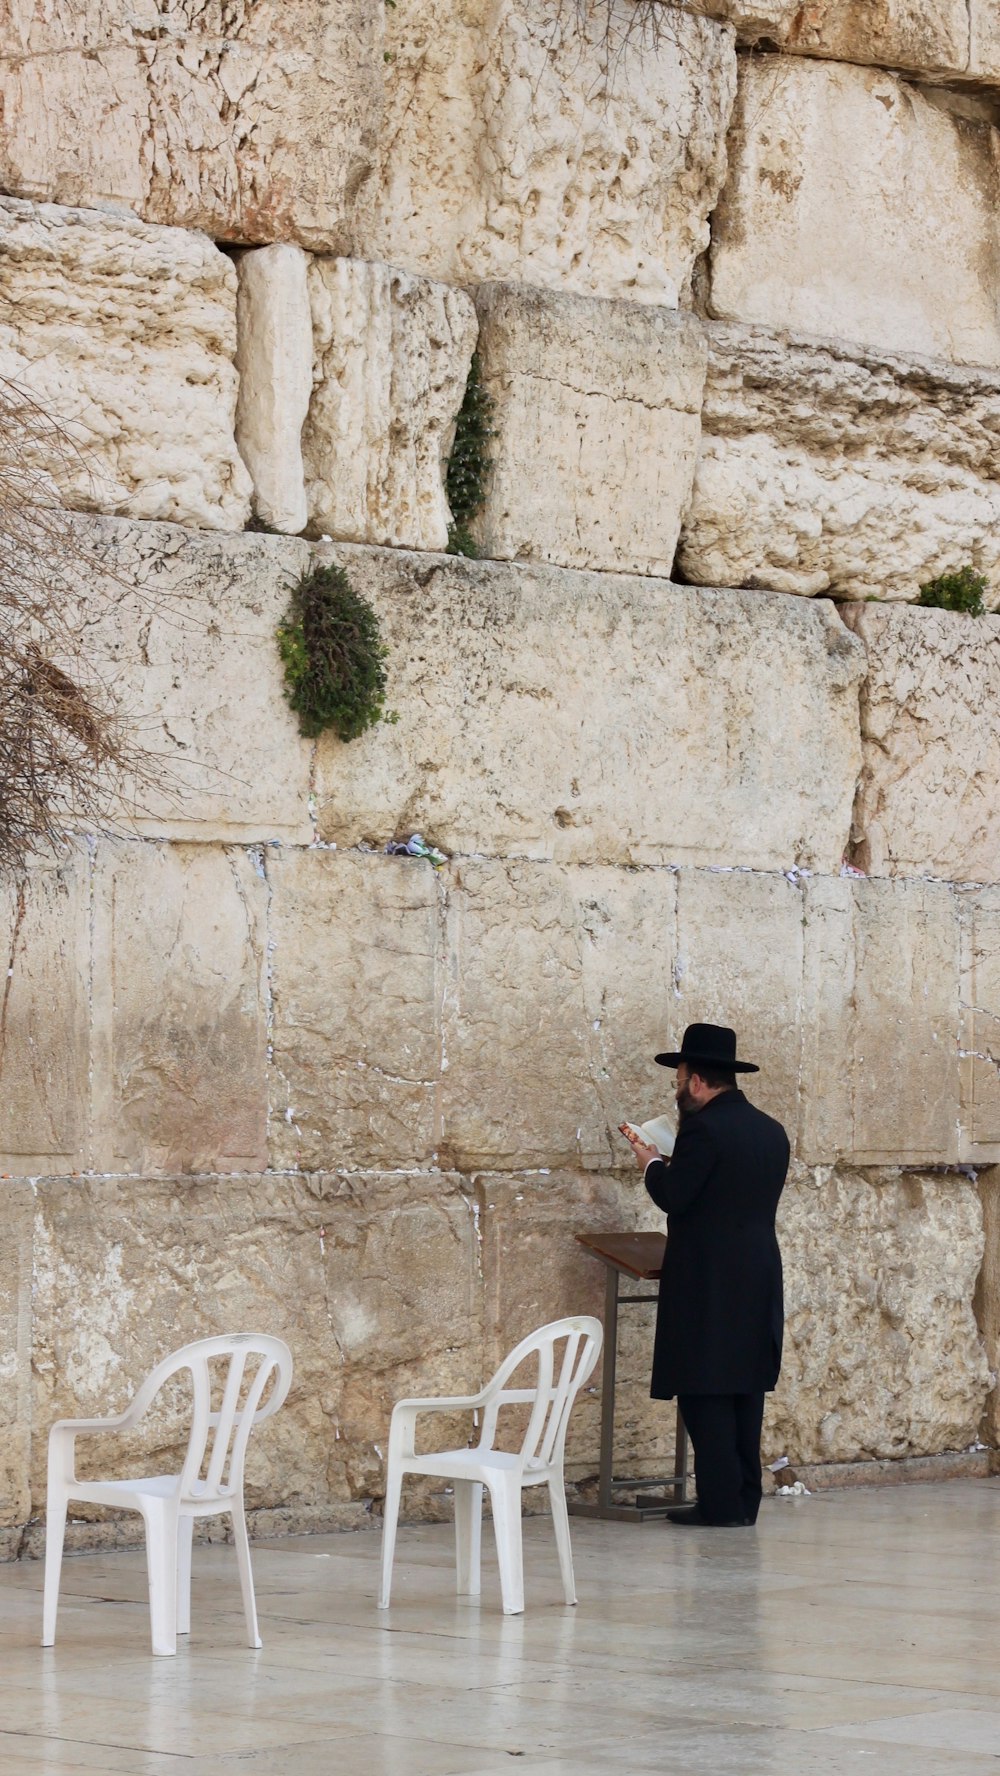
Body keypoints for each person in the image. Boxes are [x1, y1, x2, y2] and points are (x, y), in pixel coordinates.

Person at [621, 1022, 789, 1528]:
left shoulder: (703, 1128)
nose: (677, 1089)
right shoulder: (770, 1130)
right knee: (744, 1391)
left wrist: (651, 1163)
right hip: (758, 1274)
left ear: (696, 1081)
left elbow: (675, 1197)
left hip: (708, 1280)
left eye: (679, 1079)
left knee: (704, 1390)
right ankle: (743, 1502)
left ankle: (719, 1506)